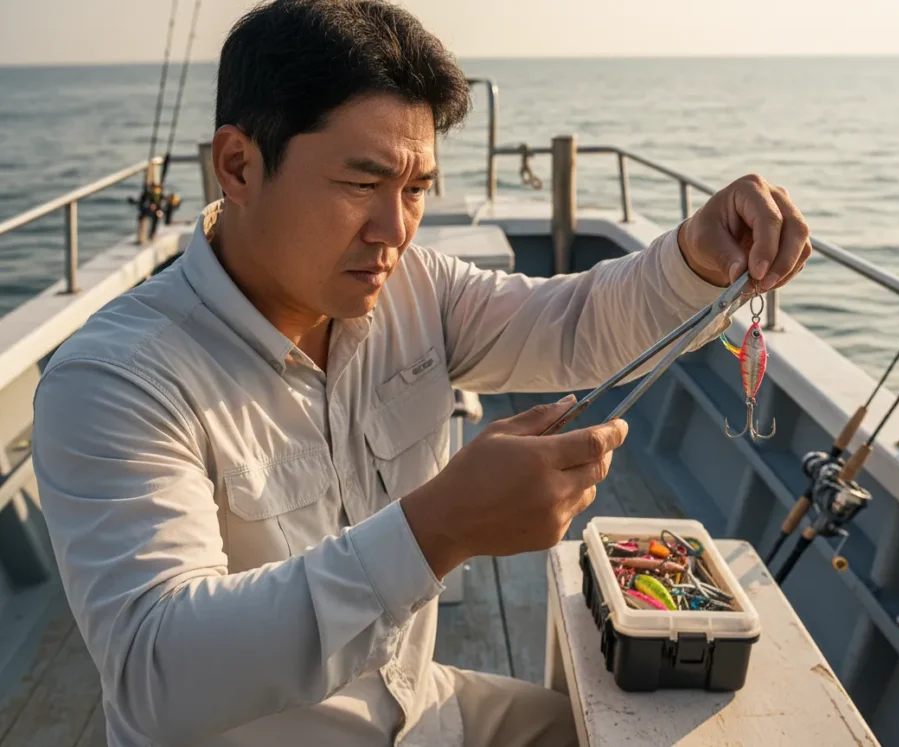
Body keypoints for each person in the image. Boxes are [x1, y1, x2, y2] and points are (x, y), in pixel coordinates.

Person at [31, 1, 811, 745]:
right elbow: (154, 670)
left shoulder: (416, 292)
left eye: (415, 189)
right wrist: (439, 528)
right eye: (361, 183)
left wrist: (697, 257)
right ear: (237, 165)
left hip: (425, 714)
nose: (393, 229)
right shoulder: (114, 378)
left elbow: (571, 325)